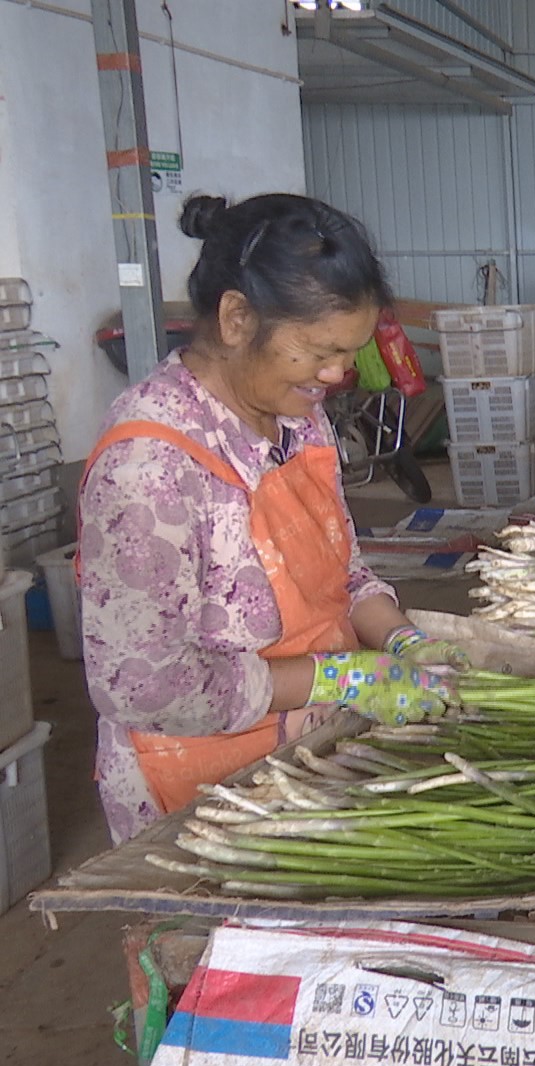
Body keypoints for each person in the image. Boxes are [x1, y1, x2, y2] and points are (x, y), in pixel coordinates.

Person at [79, 193, 463, 844]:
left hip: (312, 760)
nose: (338, 374)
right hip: (205, 796)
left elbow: (345, 573)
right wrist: (341, 677)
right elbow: (143, 688)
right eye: (321, 350)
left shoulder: (298, 418)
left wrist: (401, 642)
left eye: (348, 353)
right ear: (236, 318)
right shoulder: (150, 469)